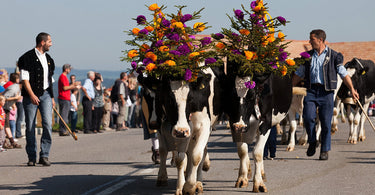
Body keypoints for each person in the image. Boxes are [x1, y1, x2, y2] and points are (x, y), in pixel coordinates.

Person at [292, 29, 359, 160]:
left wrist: (352, 88)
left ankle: (324, 150)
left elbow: (343, 74)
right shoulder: (307, 56)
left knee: (326, 122)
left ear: (320, 40)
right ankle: (312, 141)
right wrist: (289, 87)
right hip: (311, 91)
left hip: (326, 92)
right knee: (307, 117)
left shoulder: (334, 56)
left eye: (312, 39)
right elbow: (299, 73)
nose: (309, 42)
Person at [18, 32, 55, 166]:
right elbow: (24, 79)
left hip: (45, 94)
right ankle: (32, 157)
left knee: (47, 124)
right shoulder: (26, 58)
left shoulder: (49, 59)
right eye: (50, 41)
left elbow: (50, 81)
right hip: (30, 95)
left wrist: (51, 97)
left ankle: (44, 155)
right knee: (30, 126)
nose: (51, 44)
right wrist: (32, 95)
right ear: (42, 42)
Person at [57, 64, 81, 136]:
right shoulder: (63, 77)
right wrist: (74, 85)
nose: (70, 70)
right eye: (69, 69)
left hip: (66, 98)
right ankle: (62, 130)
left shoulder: (64, 77)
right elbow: (65, 88)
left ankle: (63, 129)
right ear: (66, 69)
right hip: (64, 98)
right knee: (64, 115)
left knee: (65, 115)